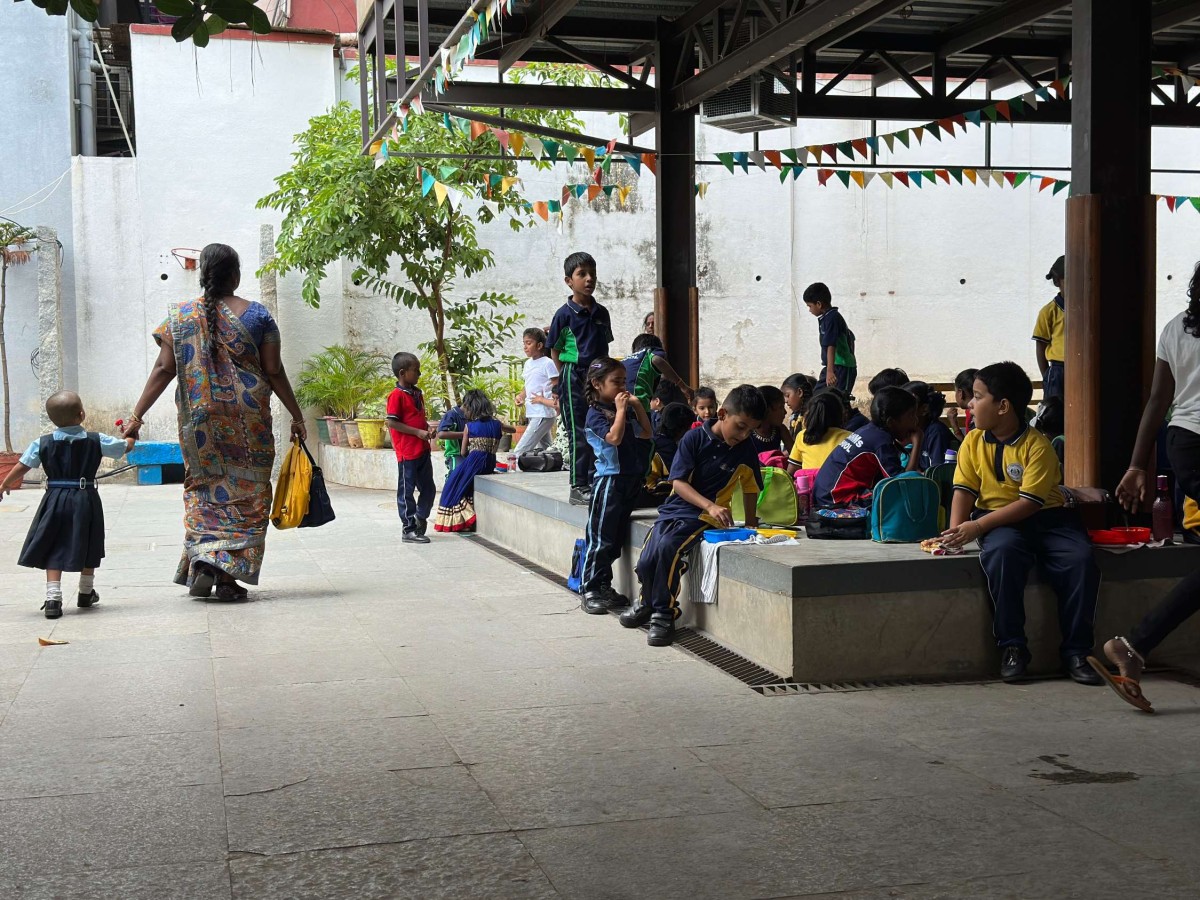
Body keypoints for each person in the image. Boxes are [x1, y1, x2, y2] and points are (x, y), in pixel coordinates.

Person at [122, 243, 306, 600]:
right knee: (248, 492)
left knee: (202, 489)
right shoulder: (258, 316)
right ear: (235, 276)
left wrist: (136, 417)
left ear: (204, 274)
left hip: (199, 423)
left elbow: (163, 369)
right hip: (248, 422)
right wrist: (296, 416)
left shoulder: (181, 317)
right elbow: (274, 370)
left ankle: (206, 561)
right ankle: (226, 577)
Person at [938, 362, 1100, 686]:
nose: (970, 403)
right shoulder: (971, 442)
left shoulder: (1037, 446)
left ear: (1003, 407)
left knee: (1080, 560)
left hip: (1049, 519)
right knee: (1003, 555)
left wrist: (977, 528)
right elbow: (964, 489)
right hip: (1000, 524)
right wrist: (954, 533)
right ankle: (1012, 647)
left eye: (978, 396)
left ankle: (1077, 652)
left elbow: (1029, 504)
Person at [1097, 263, 1200, 710]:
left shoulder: (1177, 327)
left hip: (1183, 444)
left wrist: (1138, 464)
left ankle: (1134, 646)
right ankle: (1135, 642)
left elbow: (1159, 400)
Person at [621, 385, 766, 647]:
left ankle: (664, 615)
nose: (744, 435)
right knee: (646, 560)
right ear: (722, 414)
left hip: (704, 519)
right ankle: (646, 603)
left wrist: (752, 524)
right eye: (740, 426)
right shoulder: (693, 439)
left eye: (750, 430)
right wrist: (709, 504)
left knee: (669, 550)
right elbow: (678, 484)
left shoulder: (745, 448)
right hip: (675, 509)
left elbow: (750, 486)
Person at [0, 391, 134, 618]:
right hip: (85, 497)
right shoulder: (97, 439)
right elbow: (124, 447)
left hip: (54, 498)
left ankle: (53, 599)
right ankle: (85, 592)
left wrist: (4, 484)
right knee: (89, 539)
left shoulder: (41, 443)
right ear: (81, 414)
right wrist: (130, 436)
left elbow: (23, 466)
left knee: (54, 542)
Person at [579, 358, 653, 614]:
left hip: (629, 480)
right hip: (609, 481)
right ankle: (589, 588)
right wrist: (621, 411)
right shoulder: (595, 413)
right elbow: (614, 438)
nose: (622, 387)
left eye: (624, 381)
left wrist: (637, 405)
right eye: (616, 382)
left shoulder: (623, 409)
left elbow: (646, 432)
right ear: (598, 384)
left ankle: (604, 585)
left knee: (615, 538)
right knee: (601, 538)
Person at [548, 251, 614, 506]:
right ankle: (578, 485)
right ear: (569, 281)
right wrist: (563, 376)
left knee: (599, 426)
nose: (589, 279)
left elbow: (605, 348)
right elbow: (555, 349)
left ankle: (596, 478)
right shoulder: (563, 314)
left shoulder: (602, 313)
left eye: (592, 274)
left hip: (599, 377)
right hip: (573, 375)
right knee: (578, 431)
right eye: (582, 274)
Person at [813, 386, 923, 510]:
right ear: (891, 422)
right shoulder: (881, 442)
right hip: (836, 501)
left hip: (824, 495)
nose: (916, 421)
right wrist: (917, 442)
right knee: (893, 500)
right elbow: (904, 483)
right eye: (911, 416)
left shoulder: (870, 430)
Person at [434, 389, 509, 533]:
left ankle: (460, 518)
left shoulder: (472, 424)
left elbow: (464, 451)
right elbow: (441, 434)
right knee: (460, 473)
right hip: (458, 455)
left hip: (470, 457)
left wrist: (471, 434)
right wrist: (467, 434)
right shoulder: (453, 415)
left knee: (454, 485)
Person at [386, 352, 438, 545]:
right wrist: (417, 432)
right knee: (406, 491)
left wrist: (426, 429)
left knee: (429, 488)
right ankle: (408, 529)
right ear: (402, 373)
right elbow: (392, 422)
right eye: (415, 370)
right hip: (407, 452)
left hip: (422, 449)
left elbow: (418, 418)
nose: (419, 373)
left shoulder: (417, 393)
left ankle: (420, 518)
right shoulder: (396, 395)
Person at [513, 327, 559, 458]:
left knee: (520, 451)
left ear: (539, 345)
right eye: (524, 343)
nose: (525, 347)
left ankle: (513, 466)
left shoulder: (548, 363)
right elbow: (529, 385)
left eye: (528, 343)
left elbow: (557, 385)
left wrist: (543, 400)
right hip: (533, 412)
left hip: (543, 413)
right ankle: (558, 464)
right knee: (548, 450)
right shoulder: (528, 364)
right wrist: (521, 396)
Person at [803, 282, 857, 393]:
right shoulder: (826, 318)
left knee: (840, 399)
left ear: (819, 304)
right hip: (832, 366)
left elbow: (831, 345)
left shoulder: (832, 318)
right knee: (818, 396)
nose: (809, 310)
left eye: (810, 306)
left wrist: (830, 371)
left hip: (840, 367)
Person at [624, 333, 693, 411]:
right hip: (638, 404)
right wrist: (683, 386)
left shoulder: (626, 359)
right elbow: (656, 360)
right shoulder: (650, 351)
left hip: (620, 403)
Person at [643, 402, 695, 504]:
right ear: (681, 429)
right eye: (688, 427)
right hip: (652, 493)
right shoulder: (667, 448)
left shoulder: (655, 439)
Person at [788, 390, 850, 474]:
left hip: (810, 487)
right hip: (838, 486)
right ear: (840, 414)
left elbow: (791, 471)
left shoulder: (802, 436)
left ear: (809, 415)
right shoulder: (850, 438)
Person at [1033, 255, 1066, 401]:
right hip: (1058, 371)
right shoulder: (1048, 312)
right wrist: (1047, 375)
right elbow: (1041, 346)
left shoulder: (1087, 311)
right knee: (1055, 413)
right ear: (1058, 280)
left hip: (1083, 366)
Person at [905, 381, 956, 471]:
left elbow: (937, 475)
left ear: (924, 409)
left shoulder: (936, 432)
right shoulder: (917, 430)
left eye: (906, 406)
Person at [748, 385, 792, 457]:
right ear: (767, 410)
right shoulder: (748, 434)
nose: (785, 412)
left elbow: (795, 457)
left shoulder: (780, 429)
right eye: (781, 407)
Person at [947, 368, 978, 441]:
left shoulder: (976, 418)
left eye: (956, 391)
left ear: (961, 393)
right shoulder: (970, 412)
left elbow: (967, 448)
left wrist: (954, 426)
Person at [436, 403, 466, 474]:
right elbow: (441, 434)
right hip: (455, 454)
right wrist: (465, 434)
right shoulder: (451, 414)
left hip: (469, 453)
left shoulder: (473, 416)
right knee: (458, 472)